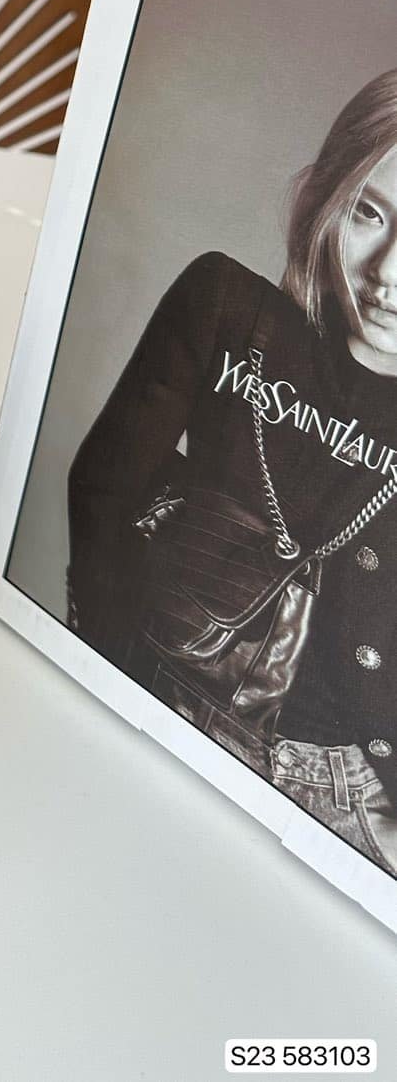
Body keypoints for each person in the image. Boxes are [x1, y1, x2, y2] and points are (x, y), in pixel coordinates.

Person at [68, 68, 397, 876]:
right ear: (328, 197)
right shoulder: (227, 308)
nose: (388, 273)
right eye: (370, 213)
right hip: (158, 703)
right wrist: (111, 679)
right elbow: (104, 493)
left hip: (347, 801)